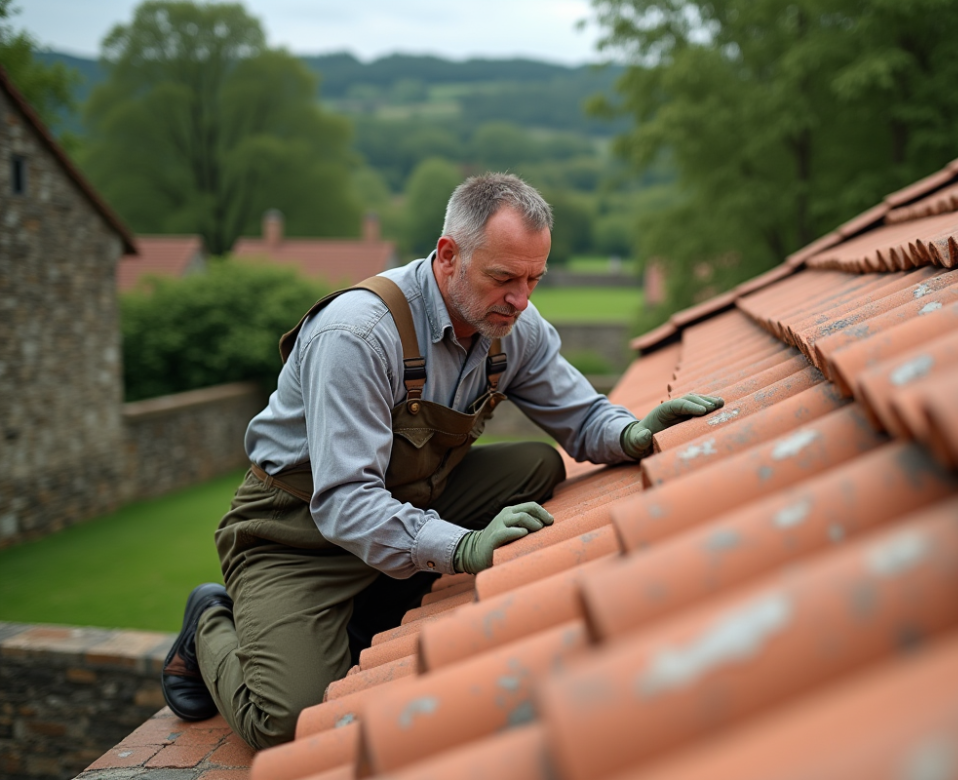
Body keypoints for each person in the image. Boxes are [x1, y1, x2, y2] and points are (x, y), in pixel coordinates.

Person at [159, 173, 723, 750]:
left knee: (538, 467)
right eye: (503, 278)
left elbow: (581, 417)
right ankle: (209, 621)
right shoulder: (357, 336)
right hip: (297, 534)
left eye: (534, 278)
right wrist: (460, 548)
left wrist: (631, 433)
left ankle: (375, 595)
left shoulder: (512, 326)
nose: (521, 300)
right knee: (285, 722)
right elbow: (345, 500)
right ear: (449, 256)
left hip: (407, 502)